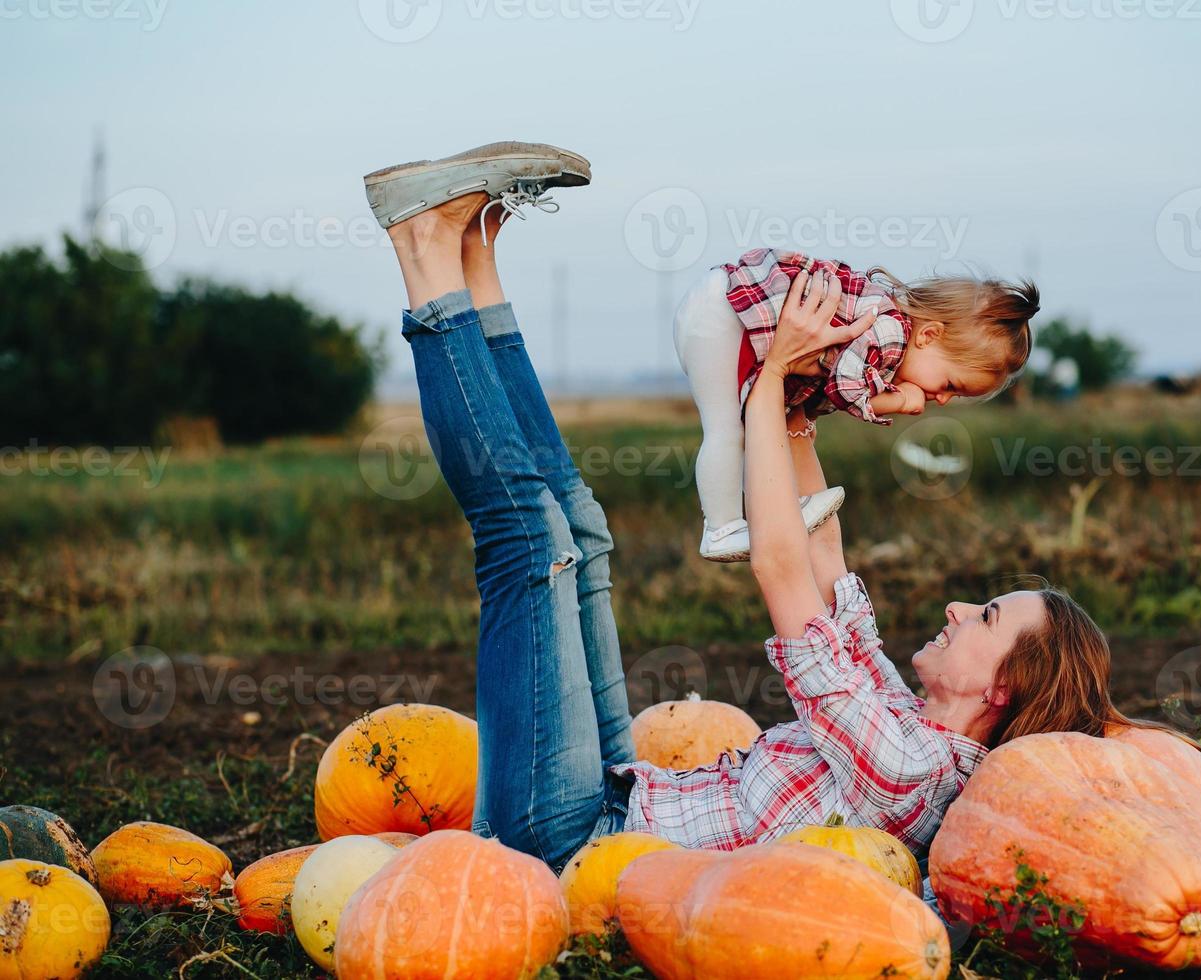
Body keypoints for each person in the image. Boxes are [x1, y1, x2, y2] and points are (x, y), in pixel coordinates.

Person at [365, 141, 1148, 873]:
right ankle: (476, 257)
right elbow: (823, 552)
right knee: (586, 532)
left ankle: (424, 249)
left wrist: (770, 378)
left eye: (985, 617)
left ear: (1002, 690)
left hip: (570, 839)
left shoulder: (905, 770)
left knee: (531, 541)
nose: (956, 606)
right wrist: (803, 395)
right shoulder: (904, 720)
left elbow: (780, 566)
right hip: (621, 794)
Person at [675, 247, 1037, 560]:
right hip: (723, 313)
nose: (942, 399)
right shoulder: (891, 332)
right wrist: (894, 402)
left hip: (728, 314)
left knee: (757, 433)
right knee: (726, 430)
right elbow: (843, 387)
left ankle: (771, 510)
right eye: (950, 385)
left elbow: (817, 384)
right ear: (929, 336)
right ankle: (720, 530)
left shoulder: (889, 340)